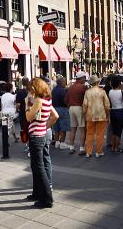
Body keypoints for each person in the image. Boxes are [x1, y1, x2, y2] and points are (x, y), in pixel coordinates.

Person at [25, 78, 58, 208]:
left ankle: (47, 199)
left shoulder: (38, 101)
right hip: (41, 135)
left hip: (36, 137)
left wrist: (27, 104)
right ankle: (37, 193)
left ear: (36, 88)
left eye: (31, 89)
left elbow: (28, 117)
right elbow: (55, 116)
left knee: (39, 167)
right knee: (35, 166)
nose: (30, 91)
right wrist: (45, 126)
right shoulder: (47, 101)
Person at [83, 75, 110, 158]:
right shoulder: (102, 92)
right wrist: (108, 115)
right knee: (100, 134)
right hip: (101, 115)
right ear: (98, 82)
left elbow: (84, 105)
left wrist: (84, 114)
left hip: (90, 115)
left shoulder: (87, 92)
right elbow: (107, 105)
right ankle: (98, 151)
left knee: (89, 134)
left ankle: (88, 152)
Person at [62, 71, 87, 155]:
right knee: (83, 129)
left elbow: (65, 100)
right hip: (79, 107)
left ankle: (71, 147)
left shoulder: (71, 87)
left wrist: (70, 105)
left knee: (73, 128)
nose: (85, 79)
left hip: (71, 108)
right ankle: (81, 148)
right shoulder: (83, 87)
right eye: (84, 78)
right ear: (81, 79)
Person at [108, 76, 123, 153]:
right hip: (120, 111)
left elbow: (109, 102)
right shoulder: (121, 92)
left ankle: (113, 147)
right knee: (119, 131)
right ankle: (117, 147)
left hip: (113, 111)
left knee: (114, 131)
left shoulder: (110, 91)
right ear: (119, 83)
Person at [51, 77, 70, 151]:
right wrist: (68, 105)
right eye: (64, 81)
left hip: (54, 109)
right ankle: (62, 143)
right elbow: (65, 100)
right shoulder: (63, 90)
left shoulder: (53, 90)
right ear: (61, 83)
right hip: (62, 109)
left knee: (56, 127)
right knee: (63, 127)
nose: (65, 83)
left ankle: (57, 142)